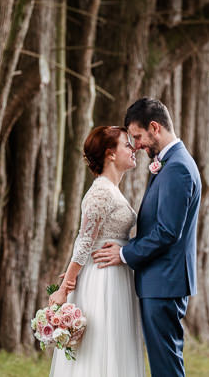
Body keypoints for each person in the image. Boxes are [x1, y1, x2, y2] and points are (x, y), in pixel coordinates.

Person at [93, 97, 201, 377]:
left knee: (166, 367)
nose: (137, 145)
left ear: (155, 127)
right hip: (161, 281)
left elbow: (167, 231)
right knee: (164, 363)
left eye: (138, 136)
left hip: (164, 282)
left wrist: (124, 253)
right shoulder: (170, 163)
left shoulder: (177, 167)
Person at [48, 125, 145, 377]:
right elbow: (83, 241)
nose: (133, 148)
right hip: (102, 279)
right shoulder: (100, 191)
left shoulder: (113, 190)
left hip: (116, 274)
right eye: (127, 144)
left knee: (116, 345)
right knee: (101, 348)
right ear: (110, 154)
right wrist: (65, 288)